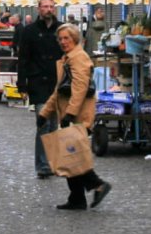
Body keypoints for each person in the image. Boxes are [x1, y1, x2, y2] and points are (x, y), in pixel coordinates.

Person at [39, 23, 111, 210]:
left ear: (75, 39)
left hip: (78, 114)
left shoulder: (78, 58)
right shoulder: (68, 59)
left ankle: (96, 185)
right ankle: (77, 198)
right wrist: (45, 112)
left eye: (66, 38)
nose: (63, 42)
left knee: (73, 157)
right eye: (60, 38)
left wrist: (70, 113)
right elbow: (59, 90)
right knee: (70, 157)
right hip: (70, 113)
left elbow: (79, 88)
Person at [17, 0, 64, 178]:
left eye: (51, 7)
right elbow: (23, 60)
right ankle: (43, 165)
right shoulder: (29, 31)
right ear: (38, 9)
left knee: (53, 125)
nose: (48, 9)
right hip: (38, 82)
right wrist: (22, 84)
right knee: (43, 123)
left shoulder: (61, 29)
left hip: (57, 82)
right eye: (45, 6)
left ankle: (51, 162)